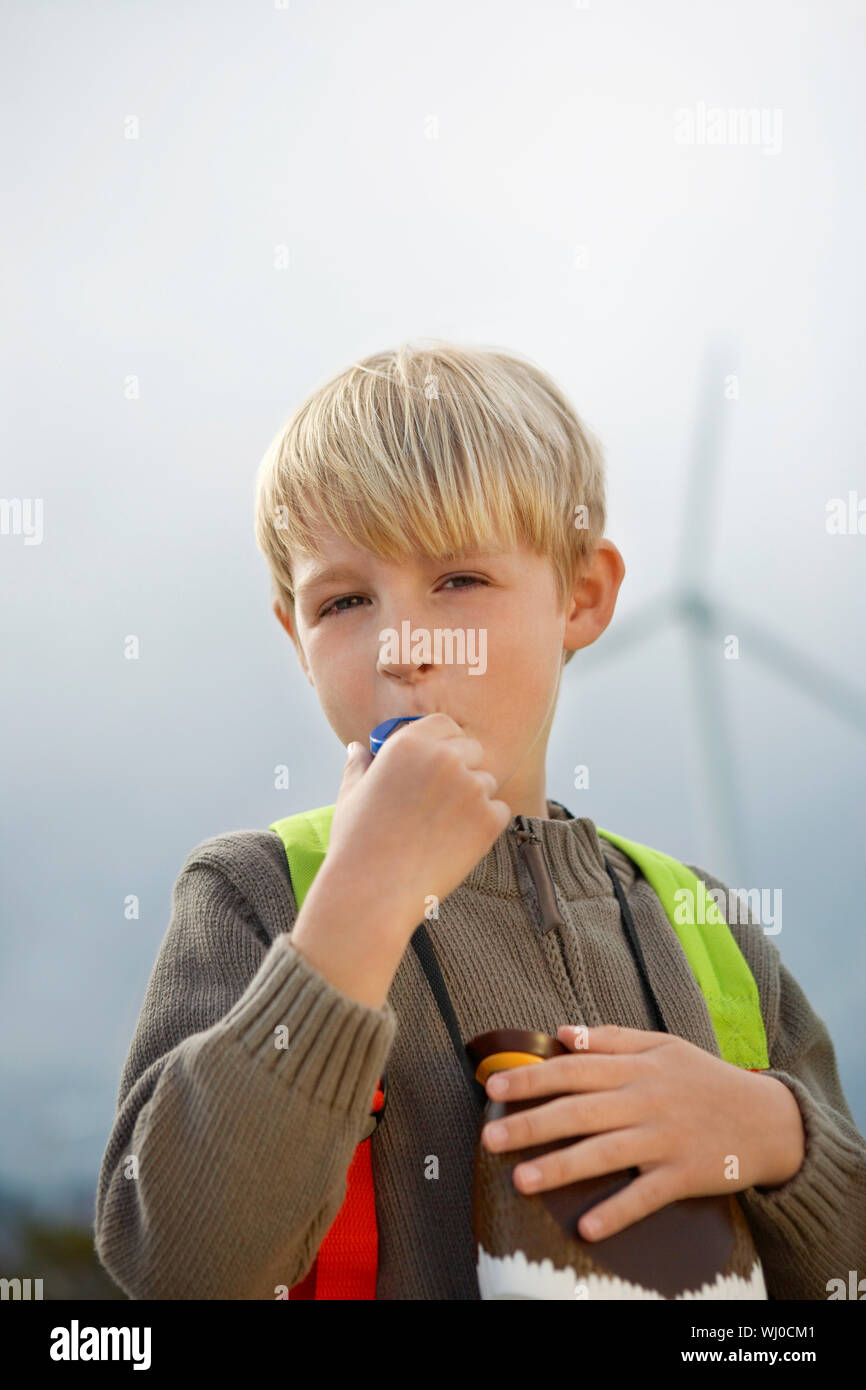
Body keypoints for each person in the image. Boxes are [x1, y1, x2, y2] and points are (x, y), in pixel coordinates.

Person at [93, 340, 866, 1299]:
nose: (402, 646)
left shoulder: (703, 919)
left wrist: (778, 1137)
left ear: (581, 596)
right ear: (295, 632)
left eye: (458, 581)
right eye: (343, 601)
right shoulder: (255, 892)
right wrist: (360, 910)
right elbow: (180, 1265)